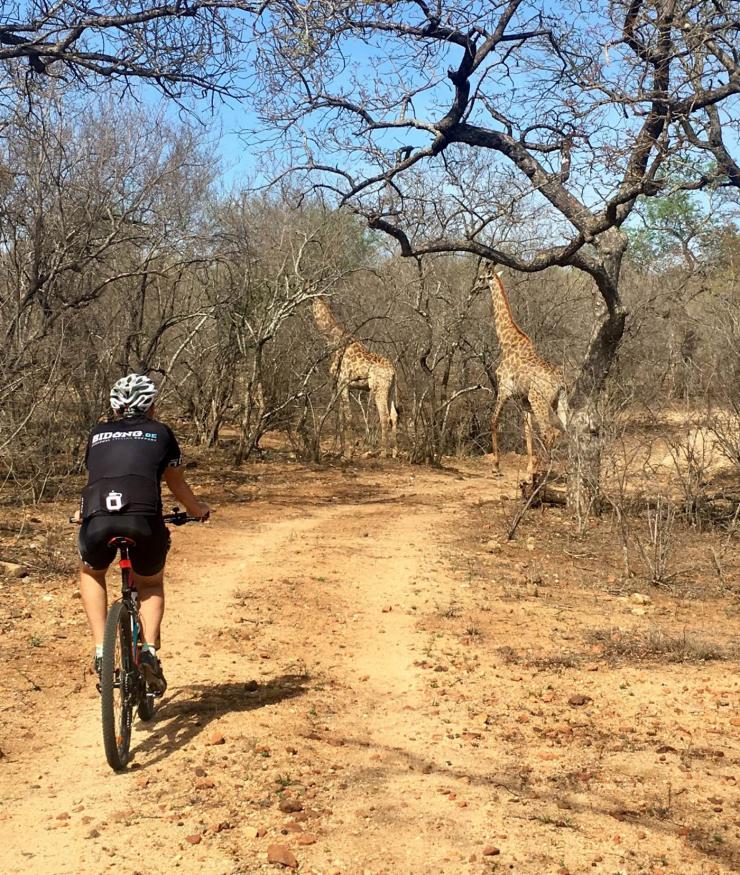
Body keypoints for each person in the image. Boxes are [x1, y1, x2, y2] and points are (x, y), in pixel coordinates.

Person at [77, 373, 209, 694]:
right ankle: (148, 651)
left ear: (115, 409)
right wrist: (197, 511)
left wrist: (81, 514)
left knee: (91, 573)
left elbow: (100, 477)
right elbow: (176, 483)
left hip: (96, 517)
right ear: (151, 408)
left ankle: (100, 650)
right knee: (150, 583)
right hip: (144, 521)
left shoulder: (97, 434)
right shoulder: (160, 433)